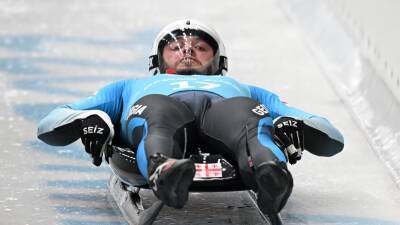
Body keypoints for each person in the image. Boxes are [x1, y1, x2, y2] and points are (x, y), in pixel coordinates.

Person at [37, 19, 344, 214]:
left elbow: (331, 136)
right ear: (158, 59)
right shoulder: (129, 87)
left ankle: (269, 173)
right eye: (175, 47)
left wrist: (288, 125)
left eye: (199, 48)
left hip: (227, 115)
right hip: (159, 110)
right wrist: (93, 119)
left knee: (249, 118)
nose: (187, 52)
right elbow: (51, 122)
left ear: (219, 60)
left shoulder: (243, 89)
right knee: (156, 111)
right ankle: (165, 169)